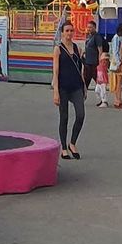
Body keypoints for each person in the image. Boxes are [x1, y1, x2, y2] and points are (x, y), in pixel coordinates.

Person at [53, 21, 89, 160]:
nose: (69, 33)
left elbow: (80, 69)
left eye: (71, 31)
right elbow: (55, 71)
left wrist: (84, 86)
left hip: (76, 86)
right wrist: (55, 90)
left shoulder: (77, 48)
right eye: (67, 31)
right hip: (63, 87)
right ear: (62, 33)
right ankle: (63, 147)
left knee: (81, 114)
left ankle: (72, 143)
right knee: (64, 117)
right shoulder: (58, 49)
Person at [90, 31, 110, 108]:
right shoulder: (98, 65)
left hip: (103, 81)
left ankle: (104, 101)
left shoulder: (104, 64)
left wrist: (104, 56)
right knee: (97, 91)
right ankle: (101, 99)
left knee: (103, 92)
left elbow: (106, 58)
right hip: (99, 80)